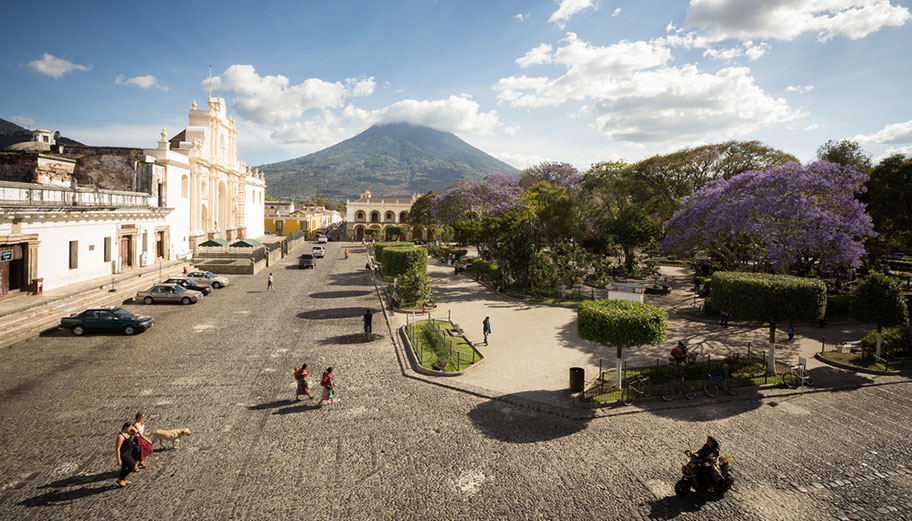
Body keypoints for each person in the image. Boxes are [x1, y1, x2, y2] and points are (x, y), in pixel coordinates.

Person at [116, 422, 137, 487]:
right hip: (124, 455)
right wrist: (118, 459)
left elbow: (136, 431)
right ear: (125, 427)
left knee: (124, 467)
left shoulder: (128, 433)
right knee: (132, 466)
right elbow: (118, 449)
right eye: (129, 428)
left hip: (129, 453)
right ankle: (120, 479)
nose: (131, 429)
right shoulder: (121, 436)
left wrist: (131, 427)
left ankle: (123, 480)